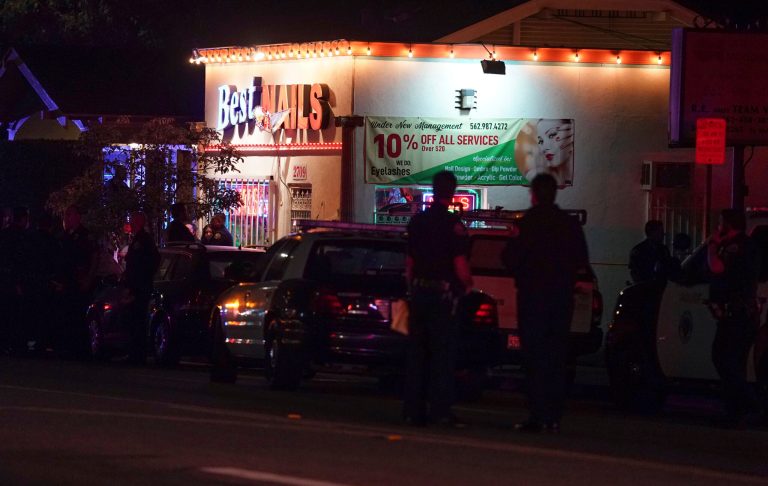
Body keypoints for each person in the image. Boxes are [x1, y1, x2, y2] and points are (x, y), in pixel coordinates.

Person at [502, 173, 589, 433]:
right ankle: (553, 416)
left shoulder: (528, 223)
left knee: (534, 359)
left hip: (533, 300)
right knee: (556, 358)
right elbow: (581, 261)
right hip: (561, 300)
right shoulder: (569, 225)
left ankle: (538, 414)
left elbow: (510, 259)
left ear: (534, 195)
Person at [404, 170, 473, 427]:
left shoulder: (418, 222)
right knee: (442, 356)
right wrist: (467, 283)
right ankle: (440, 411)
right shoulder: (453, 226)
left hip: (419, 294)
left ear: (433, 190)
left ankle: (413, 410)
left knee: (417, 355)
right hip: (442, 298)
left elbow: (409, 264)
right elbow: (459, 265)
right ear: (452, 192)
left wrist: (412, 289)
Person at [705, 209, 763, 427]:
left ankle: (751, 405)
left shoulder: (736, 246)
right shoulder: (745, 245)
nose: (718, 227)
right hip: (739, 314)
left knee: (723, 358)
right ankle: (735, 411)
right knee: (732, 362)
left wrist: (712, 246)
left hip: (737, 315)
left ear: (728, 224)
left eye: (720, 222)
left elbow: (717, 268)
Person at [57, 205, 97, 355]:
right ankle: (69, 346)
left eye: (69, 215)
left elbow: (93, 258)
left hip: (80, 281)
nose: (66, 218)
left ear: (78, 217)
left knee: (80, 315)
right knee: (67, 314)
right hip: (67, 281)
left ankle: (81, 349)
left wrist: (88, 278)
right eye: (65, 215)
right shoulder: (64, 236)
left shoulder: (85, 235)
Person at [122, 211, 160, 364]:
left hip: (140, 287)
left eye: (133, 221)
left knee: (138, 320)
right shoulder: (137, 239)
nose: (131, 223)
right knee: (133, 320)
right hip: (136, 285)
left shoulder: (144, 240)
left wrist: (143, 278)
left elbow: (151, 261)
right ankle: (134, 352)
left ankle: (138, 353)